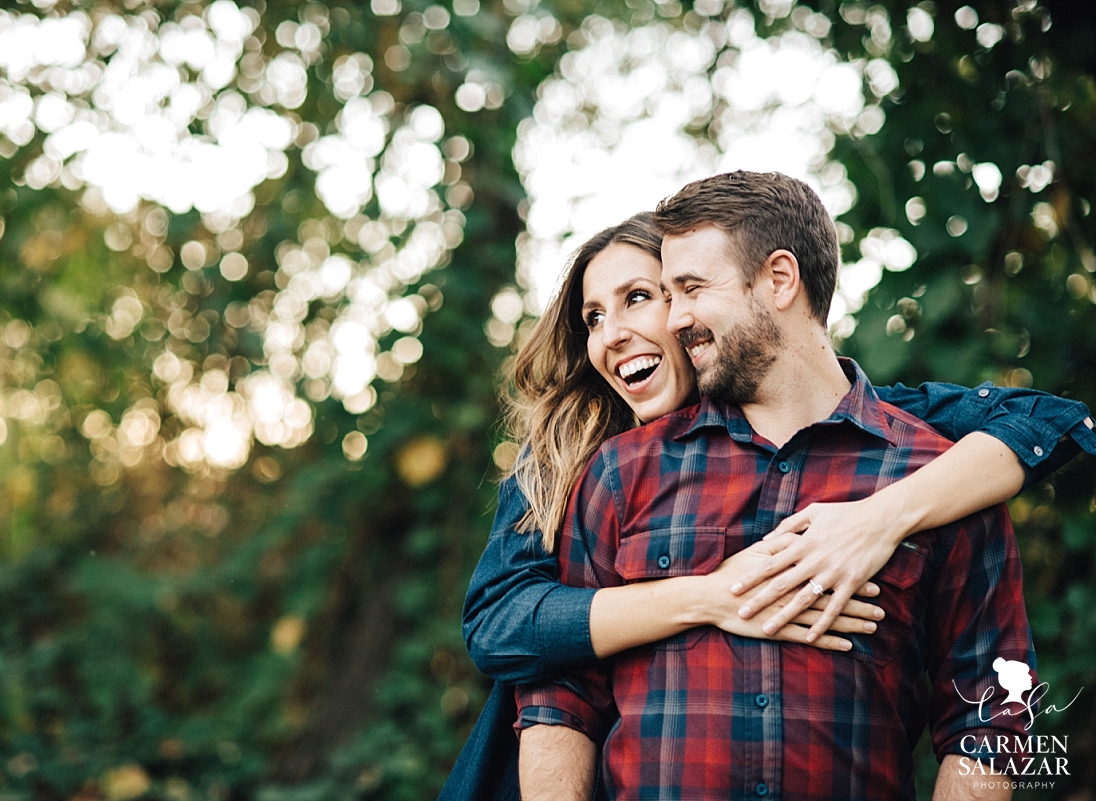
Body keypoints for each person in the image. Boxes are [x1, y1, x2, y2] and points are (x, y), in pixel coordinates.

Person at [440, 211, 1095, 800]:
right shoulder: (576, 456)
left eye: (649, 297)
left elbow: (1044, 418)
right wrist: (712, 596)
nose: (616, 333)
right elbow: (504, 628)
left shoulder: (885, 436)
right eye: (592, 317)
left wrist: (882, 516)